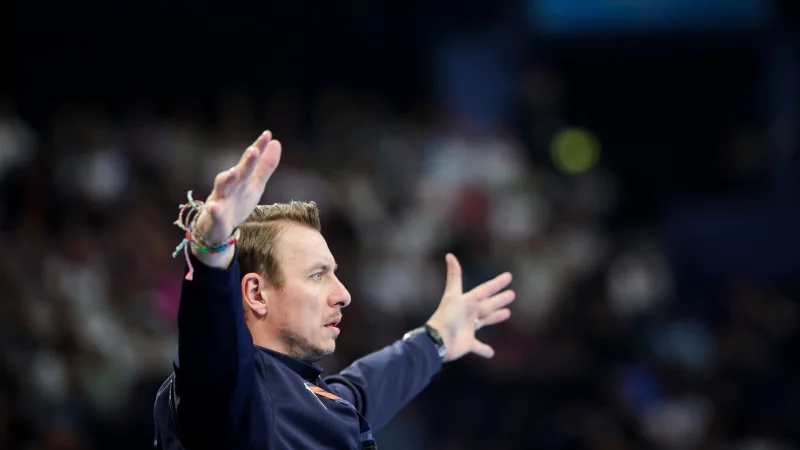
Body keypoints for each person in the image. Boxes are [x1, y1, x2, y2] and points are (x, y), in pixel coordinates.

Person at [153, 130, 516, 449]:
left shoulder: (316, 400)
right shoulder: (232, 395)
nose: (343, 294)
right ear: (256, 294)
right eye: (317, 275)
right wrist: (212, 250)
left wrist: (436, 338)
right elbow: (213, 342)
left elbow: (365, 386)